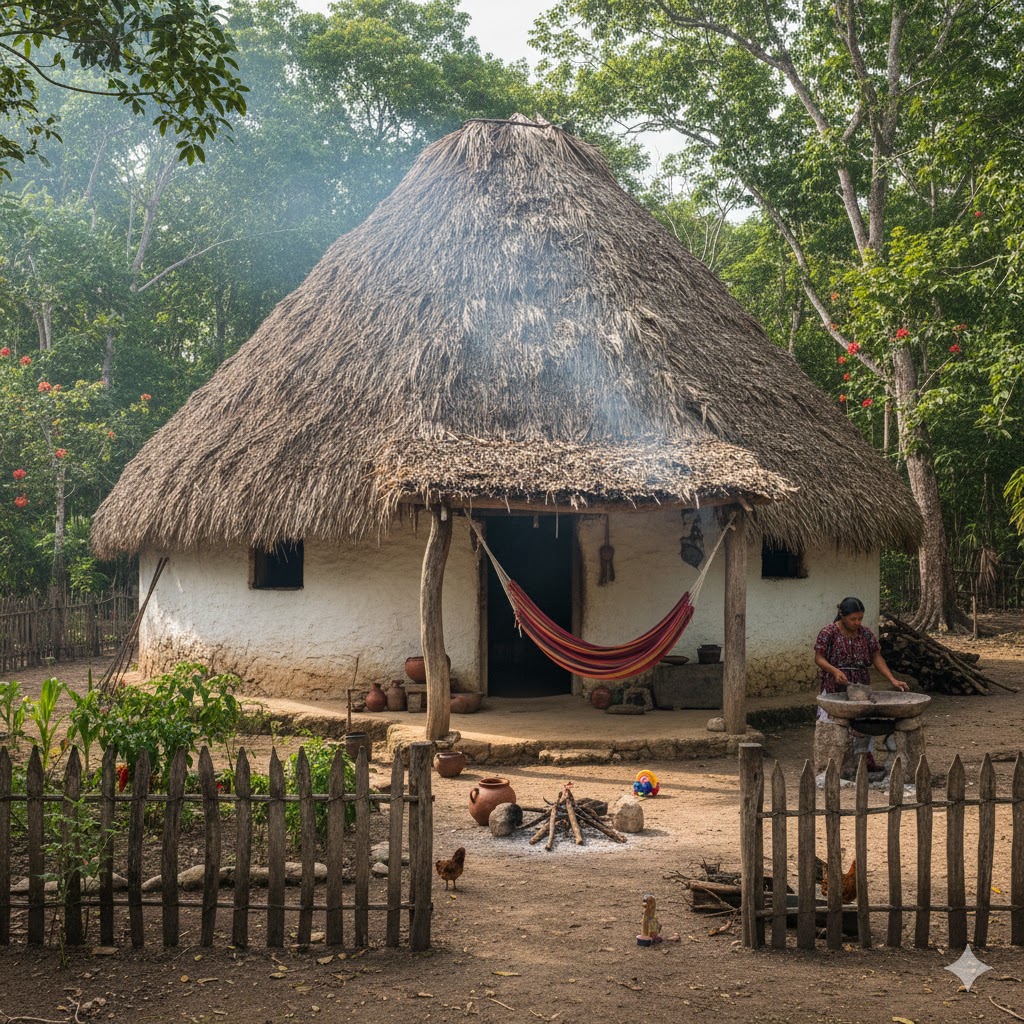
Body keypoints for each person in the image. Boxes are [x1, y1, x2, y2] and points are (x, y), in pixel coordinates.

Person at [814, 596, 909, 771]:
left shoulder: (866, 634)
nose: (857, 622)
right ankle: (836, 763)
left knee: (864, 722)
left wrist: (892, 679)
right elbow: (819, 658)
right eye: (853, 619)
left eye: (860, 619)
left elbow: (876, 657)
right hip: (835, 685)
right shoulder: (828, 633)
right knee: (835, 724)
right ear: (841, 615)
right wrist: (835, 671)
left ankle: (865, 758)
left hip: (861, 685)